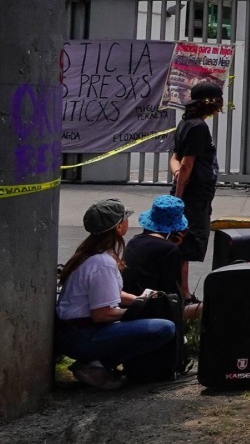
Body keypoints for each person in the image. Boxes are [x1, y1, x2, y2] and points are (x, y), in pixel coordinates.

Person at [55, 199, 176, 390]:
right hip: (82, 335)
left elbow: (111, 293)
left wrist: (140, 300)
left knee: (152, 316)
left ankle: (96, 362)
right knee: (164, 328)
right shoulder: (102, 263)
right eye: (125, 218)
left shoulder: (90, 254)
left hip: (75, 332)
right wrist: (141, 310)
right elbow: (102, 313)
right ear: (119, 227)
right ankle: (97, 364)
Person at [170, 80, 223, 296]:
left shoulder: (186, 123)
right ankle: (183, 292)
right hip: (193, 196)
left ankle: (181, 289)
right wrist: (179, 196)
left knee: (182, 240)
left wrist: (177, 177)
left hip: (191, 192)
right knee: (187, 242)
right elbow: (186, 163)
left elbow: (176, 159)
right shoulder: (198, 127)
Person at [122, 195, 202, 323]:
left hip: (129, 306)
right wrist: (174, 248)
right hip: (154, 311)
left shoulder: (134, 241)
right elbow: (174, 293)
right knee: (206, 307)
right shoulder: (169, 250)